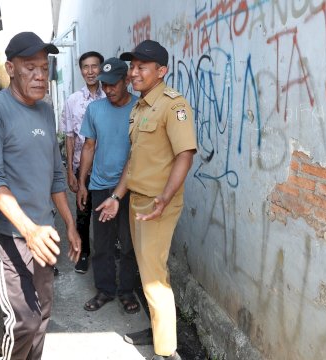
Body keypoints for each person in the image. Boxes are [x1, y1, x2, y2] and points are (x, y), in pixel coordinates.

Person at [0, 31, 81, 360]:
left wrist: (69, 224)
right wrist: (28, 230)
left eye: (44, 69)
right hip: (9, 235)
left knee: (43, 312)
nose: (39, 75)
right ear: (10, 68)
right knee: (22, 321)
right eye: (29, 67)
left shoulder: (46, 111)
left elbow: (56, 174)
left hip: (44, 234)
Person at [96, 40, 197, 360]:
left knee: (154, 278)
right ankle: (158, 330)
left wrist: (165, 199)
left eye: (142, 67)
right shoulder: (140, 107)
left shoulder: (173, 104)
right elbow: (134, 161)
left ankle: (167, 351)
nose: (134, 72)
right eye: (133, 66)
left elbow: (185, 155)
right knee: (147, 269)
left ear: (161, 71)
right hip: (137, 200)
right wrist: (116, 196)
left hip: (157, 205)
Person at [75, 58, 140, 314]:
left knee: (128, 242)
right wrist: (83, 183)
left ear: (126, 81)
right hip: (101, 186)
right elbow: (89, 146)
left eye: (113, 85)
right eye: (105, 85)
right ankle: (105, 290)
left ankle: (126, 291)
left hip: (131, 187)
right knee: (102, 243)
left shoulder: (139, 108)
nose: (109, 90)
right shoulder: (95, 110)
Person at [60, 51, 105, 273]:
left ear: (101, 68)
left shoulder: (110, 97)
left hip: (106, 167)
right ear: (80, 70)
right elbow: (69, 137)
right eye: (85, 67)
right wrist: (70, 171)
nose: (90, 71)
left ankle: (106, 253)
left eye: (94, 66)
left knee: (106, 211)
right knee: (83, 212)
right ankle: (83, 253)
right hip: (82, 166)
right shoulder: (73, 101)